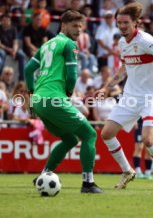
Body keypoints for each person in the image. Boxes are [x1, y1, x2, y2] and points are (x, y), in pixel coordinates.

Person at [96, 2, 153, 190]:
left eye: (125, 23)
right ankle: (127, 170)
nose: (122, 26)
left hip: (150, 97)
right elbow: (124, 68)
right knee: (106, 134)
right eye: (119, 23)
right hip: (130, 97)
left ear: (135, 23)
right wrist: (106, 88)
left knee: (148, 139)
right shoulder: (122, 42)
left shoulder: (146, 40)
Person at [24, 10, 103, 193]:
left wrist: (31, 95)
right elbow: (72, 75)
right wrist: (68, 92)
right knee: (90, 135)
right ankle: (88, 183)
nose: (78, 30)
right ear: (63, 25)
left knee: (70, 139)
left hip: (39, 101)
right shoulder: (69, 44)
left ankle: (43, 175)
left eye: (80, 26)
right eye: (74, 26)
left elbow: (28, 70)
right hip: (54, 98)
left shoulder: (47, 44)